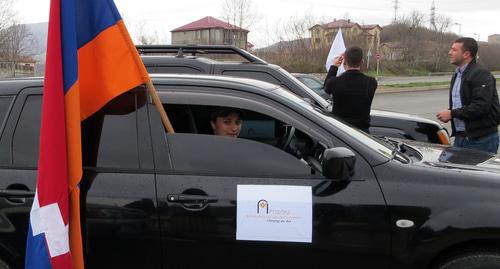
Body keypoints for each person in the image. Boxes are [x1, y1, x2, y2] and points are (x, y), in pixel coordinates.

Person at [436, 37, 500, 154]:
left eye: (454, 50)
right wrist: (451, 111)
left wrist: (452, 113)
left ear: (466, 54)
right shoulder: (458, 74)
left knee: (474, 173)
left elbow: (480, 106)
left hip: (480, 140)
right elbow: (466, 103)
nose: (450, 53)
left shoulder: (480, 74)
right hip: (461, 138)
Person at [324, 46, 378, 133]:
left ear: (344, 62)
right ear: (362, 62)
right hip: (363, 134)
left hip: (340, 132)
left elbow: (326, 87)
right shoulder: (371, 82)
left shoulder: (335, 82)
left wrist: (334, 66)